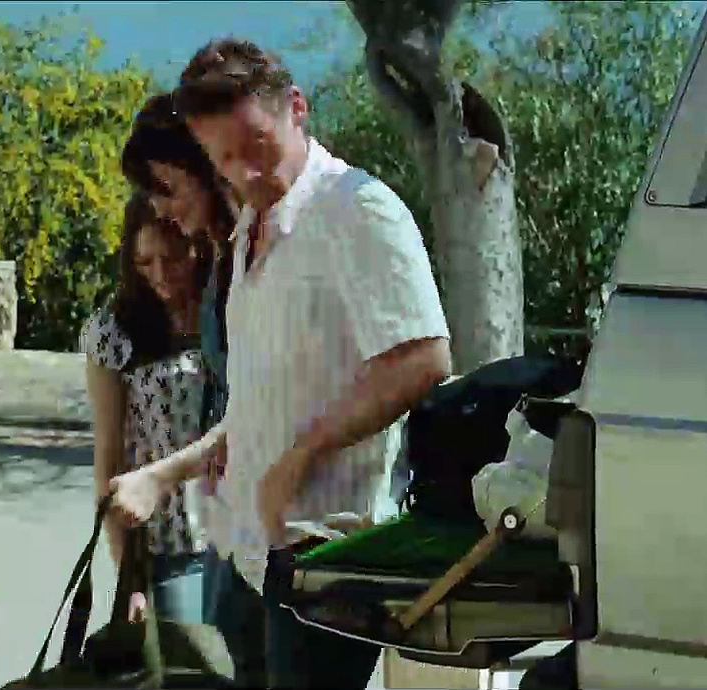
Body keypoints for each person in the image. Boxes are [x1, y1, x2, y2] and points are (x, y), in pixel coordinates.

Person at [108, 38, 453, 689]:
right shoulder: (250, 229)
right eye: (223, 159)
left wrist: (301, 454)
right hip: (251, 550)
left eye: (257, 147)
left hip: (327, 550)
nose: (244, 173)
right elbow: (261, 395)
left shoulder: (357, 208)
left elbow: (422, 357)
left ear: (297, 107)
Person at [120, 91, 267, 684]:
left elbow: (262, 407)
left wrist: (163, 475)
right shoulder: (230, 255)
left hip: (270, 529)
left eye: (166, 187)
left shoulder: (259, 252)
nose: (160, 206)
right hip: (226, 528)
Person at [81, 191, 215, 624]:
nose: (160, 275)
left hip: (244, 538)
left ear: (198, 246)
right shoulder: (115, 330)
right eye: (144, 262)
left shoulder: (228, 310)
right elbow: (109, 459)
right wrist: (129, 579)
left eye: (172, 259)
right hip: (169, 547)